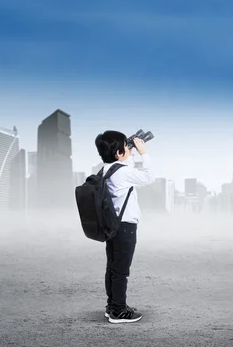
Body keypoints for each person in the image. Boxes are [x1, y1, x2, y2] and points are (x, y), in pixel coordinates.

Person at [95, 130, 155, 324]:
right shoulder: (123, 173)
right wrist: (143, 153)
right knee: (121, 270)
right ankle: (119, 312)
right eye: (125, 148)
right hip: (126, 227)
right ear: (119, 153)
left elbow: (123, 165)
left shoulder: (105, 169)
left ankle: (112, 305)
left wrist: (127, 150)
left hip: (112, 226)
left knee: (112, 267)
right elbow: (148, 177)